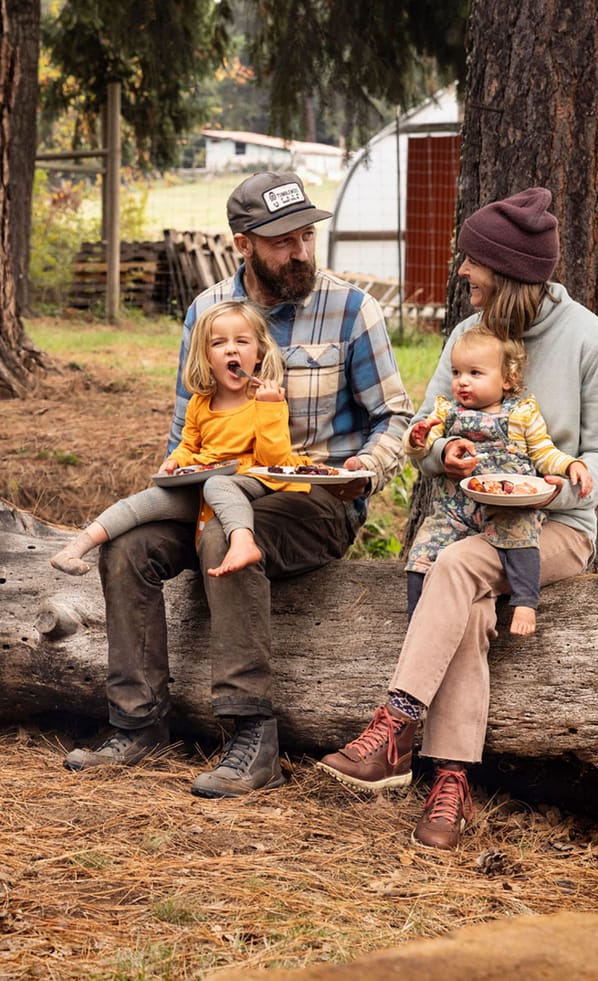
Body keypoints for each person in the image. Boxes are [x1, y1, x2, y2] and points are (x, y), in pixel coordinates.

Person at [62, 171, 413, 797]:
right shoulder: (207, 313)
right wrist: (175, 471)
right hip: (214, 486)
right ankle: (137, 722)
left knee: (225, 539)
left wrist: (359, 473)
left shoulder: (353, 309)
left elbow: (395, 418)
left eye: (306, 235)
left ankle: (253, 737)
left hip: (310, 498)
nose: (300, 251)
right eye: (283, 241)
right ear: (243, 244)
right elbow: (185, 422)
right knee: (127, 548)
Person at [318, 187, 598, 851]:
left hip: (557, 534)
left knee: (454, 567)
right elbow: (423, 434)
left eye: (472, 263)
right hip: (468, 523)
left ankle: (395, 723)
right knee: (470, 602)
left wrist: (551, 490)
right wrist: (441, 456)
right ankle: (450, 781)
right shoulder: (464, 336)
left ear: (509, 273)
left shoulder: (591, 342)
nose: (461, 274)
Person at [50, 300, 314, 579]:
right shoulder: (200, 403)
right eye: (219, 343)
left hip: (252, 475)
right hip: (205, 482)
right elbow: (189, 445)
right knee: (147, 500)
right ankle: (74, 548)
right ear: (207, 357)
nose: (231, 348)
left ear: (259, 353)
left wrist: (270, 407)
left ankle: (243, 542)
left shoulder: (266, 401)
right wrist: (176, 460)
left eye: (242, 341)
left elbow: (273, 459)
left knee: (219, 484)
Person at [404, 324, 593, 635]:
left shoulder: (521, 415)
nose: (462, 381)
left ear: (508, 379)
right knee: (423, 550)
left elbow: (544, 453)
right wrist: (419, 438)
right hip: (455, 509)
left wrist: (570, 465)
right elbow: (419, 449)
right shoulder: (447, 413)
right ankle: (417, 619)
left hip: (508, 505)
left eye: (475, 373)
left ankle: (525, 602)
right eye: (456, 372)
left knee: (520, 536)